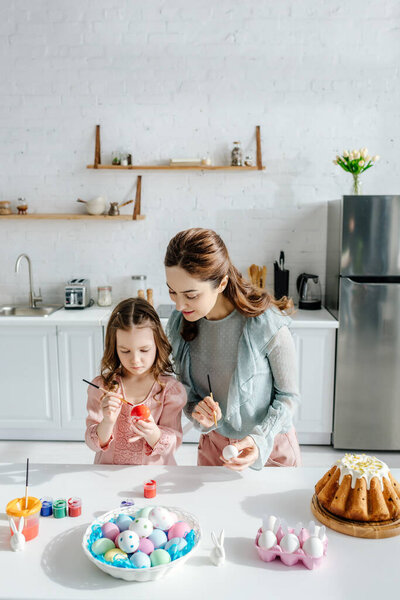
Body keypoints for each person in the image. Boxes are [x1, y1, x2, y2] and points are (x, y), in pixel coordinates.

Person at [165, 228, 301, 471]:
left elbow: (288, 398)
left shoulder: (264, 322)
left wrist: (259, 440)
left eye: (191, 295)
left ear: (222, 283)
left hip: (269, 449)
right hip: (213, 450)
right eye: (172, 291)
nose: (179, 304)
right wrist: (197, 410)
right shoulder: (179, 322)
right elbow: (184, 391)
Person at [85, 297, 186, 465]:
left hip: (153, 478)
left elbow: (173, 444)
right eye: (125, 351)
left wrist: (153, 433)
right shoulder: (103, 388)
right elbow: (92, 443)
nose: (135, 360)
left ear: (157, 344)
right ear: (115, 348)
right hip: (109, 477)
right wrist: (107, 422)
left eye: (144, 350)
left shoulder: (169, 390)